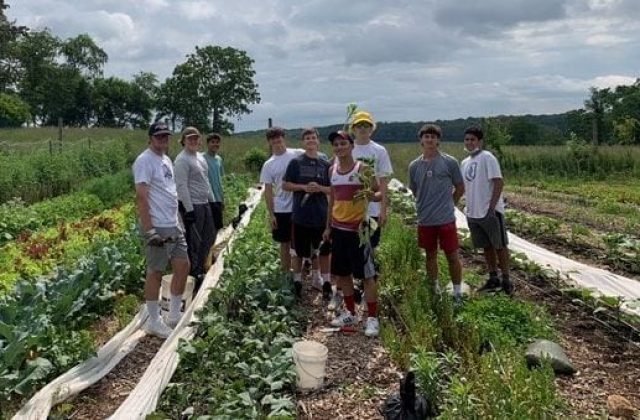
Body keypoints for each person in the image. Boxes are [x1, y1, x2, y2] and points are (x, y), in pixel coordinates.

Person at [133, 121, 190, 338]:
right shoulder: (144, 161)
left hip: (173, 223)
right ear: (150, 138)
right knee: (156, 271)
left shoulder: (166, 159)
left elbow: (170, 193)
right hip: (157, 225)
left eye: (166, 136)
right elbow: (142, 196)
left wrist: (178, 220)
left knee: (183, 265)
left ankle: (173, 315)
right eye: (159, 136)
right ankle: (154, 321)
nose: (163, 140)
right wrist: (149, 230)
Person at [323, 130, 382, 337]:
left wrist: (370, 195)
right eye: (336, 145)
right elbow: (332, 199)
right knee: (342, 273)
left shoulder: (362, 168)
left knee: (367, 274)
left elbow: (378, 192)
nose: (339, 148)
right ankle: (350, 312)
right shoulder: (332, 171)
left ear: (351, 146)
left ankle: (372, 318)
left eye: (343, 144)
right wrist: (328, 227)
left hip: (359, 230)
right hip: (339, 229)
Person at [409, 124, 465, 303]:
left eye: (433, 137)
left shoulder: (449, 162)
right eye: (426, 137)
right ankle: (434, 288)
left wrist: (451, 204)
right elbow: (415, 190)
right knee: (430, 254)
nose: (430, 140)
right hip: (425, 219)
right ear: (421, 140)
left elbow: (460, 187)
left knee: (452, 255)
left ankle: (457, 292)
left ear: (438, 140)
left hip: (446, 219)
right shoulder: (414, 166)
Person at [460, 126, 513, 295]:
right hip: (473, 212)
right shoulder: (465, 162)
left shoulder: (487, 158)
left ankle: (506, 280)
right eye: (467, 139)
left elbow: (498, 182)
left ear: (480, 142)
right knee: (486, 246)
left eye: (473, 139)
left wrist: (492, 207)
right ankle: (493, 278)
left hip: (489, 211)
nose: (469, 142)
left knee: (500, 245)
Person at [283, 128, 332, 300]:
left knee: (323, 251)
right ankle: (297, 282)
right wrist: (303, 187)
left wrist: (319, 188)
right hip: (300, 216)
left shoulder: (325, 165)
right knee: (297, 252)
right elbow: (285, 185)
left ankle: (325, 283)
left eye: (313, 138)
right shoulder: (296, 163)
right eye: (307, 138)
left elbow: (333, 190)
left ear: (318, 141)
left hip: (320, 215)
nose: (310, 141)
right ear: (303, 143)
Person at [174, 126, 216, 292]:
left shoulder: (199, 157)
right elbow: (181, 186)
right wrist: (189, 209)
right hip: (193, 206)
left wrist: (213, 202)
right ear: (183, 141)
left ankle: (200, 266)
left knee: (210, 235)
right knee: (195, 241)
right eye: (189, 138)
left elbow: (206, 181)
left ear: (199, 140)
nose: (193, 141)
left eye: (195, 138)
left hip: (204, 203)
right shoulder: (182, 160)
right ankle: (194, 273)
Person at [259, 127, 302, 276]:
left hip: (299, 206)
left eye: (279, 138)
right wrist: (271, 214)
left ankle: (300, 271)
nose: (277, 142)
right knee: (284, 243)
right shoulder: (269, 164)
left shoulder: (297, 154)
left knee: (300, 241)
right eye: (273, 140)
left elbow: (317, 157)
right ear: (269, 142)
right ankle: (285, 272)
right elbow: (268, 191)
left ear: (284, 138)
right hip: (282, 208)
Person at [203, 133, 225, 245]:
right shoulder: (202, 158)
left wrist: (222, 197)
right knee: (207, 228)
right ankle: (206, 253)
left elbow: (220, 180)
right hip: (206, 198)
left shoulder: (219, 159)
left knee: (217, 226)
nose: (215, 144)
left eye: (217, 142)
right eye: (212, 142)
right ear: (207, 144)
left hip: (217, 198)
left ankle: (213, 250)